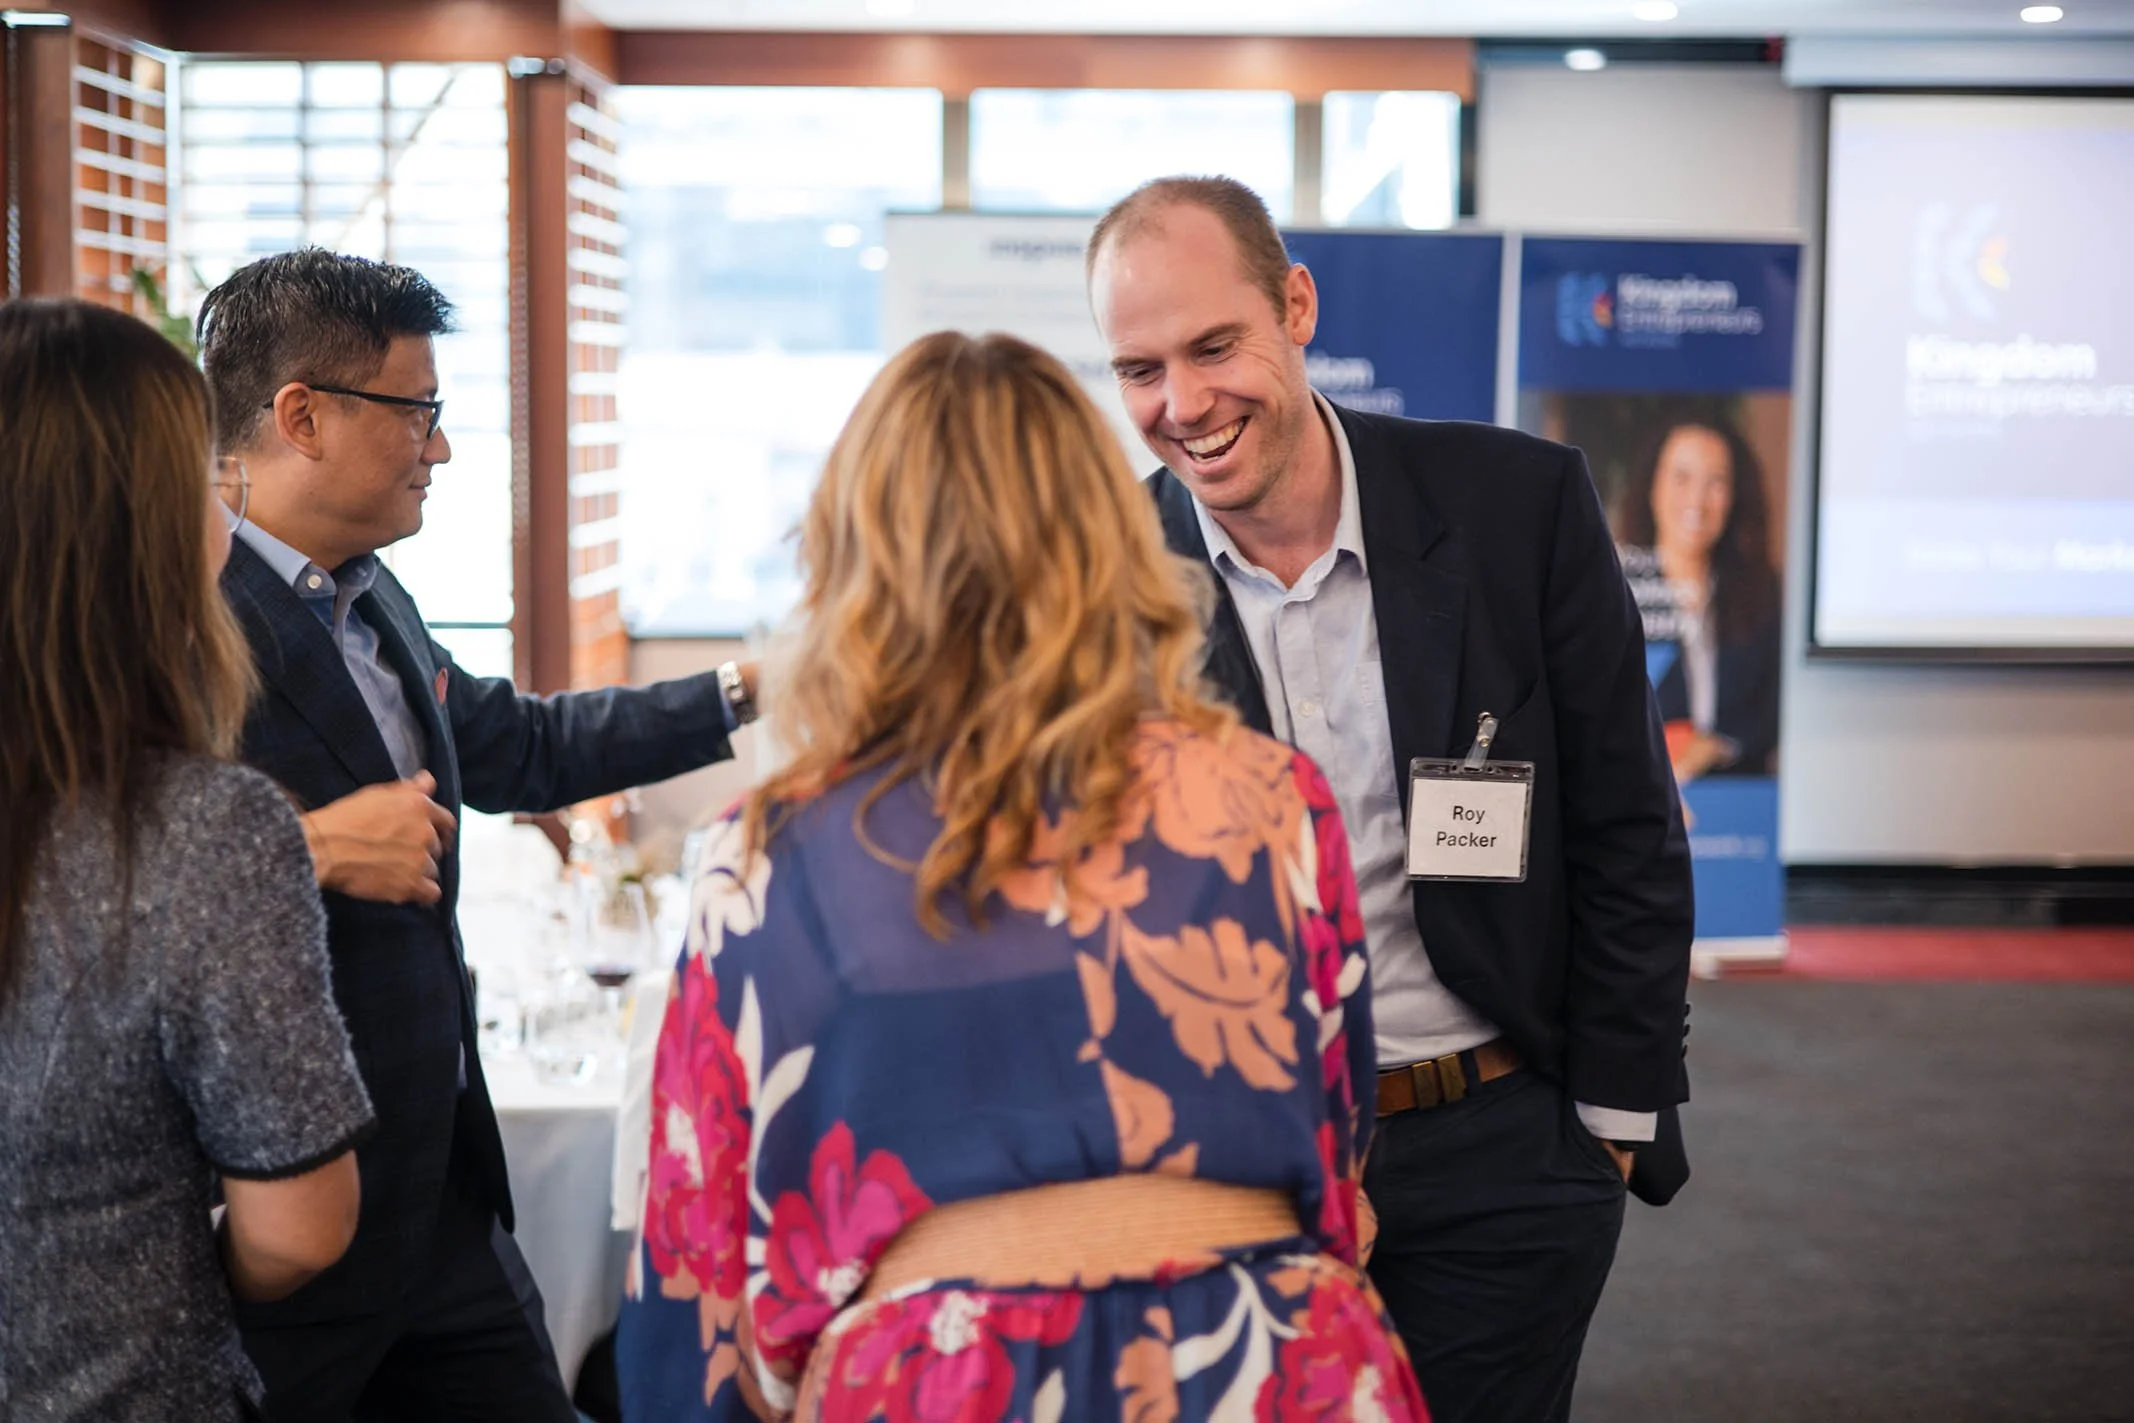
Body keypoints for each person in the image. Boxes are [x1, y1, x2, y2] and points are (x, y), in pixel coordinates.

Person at [615, 331, 1428, 1422]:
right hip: (1275, 1360)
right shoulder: (1272, 801)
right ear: (1106, 541)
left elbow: (700, 1284)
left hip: (941, 1381)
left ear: (856, 558)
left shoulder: (765, 857)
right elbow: (1334, 1156)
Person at [1088, 176, 1695, 1423]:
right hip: (1238, 1170)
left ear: (1296, 306)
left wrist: (1609, 1124)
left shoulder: (1515, 508)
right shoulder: (1101, 583)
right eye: (1140, 369)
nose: (1183, 405)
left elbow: (1628, 824)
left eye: (1214, 347)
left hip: (1503, 1140)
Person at [195, 248, 755, 1421]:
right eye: (420, 412)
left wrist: (746, 693)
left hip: (438, 1201)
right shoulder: (169, 612)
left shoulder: (371, 592)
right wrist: (308, 847)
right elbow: (88, 864)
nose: (440, 449)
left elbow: (524, 748)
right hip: (277, 1215)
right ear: (301, 415)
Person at [0, 298, 375, 1420]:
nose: (226, 518)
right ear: (143, 532)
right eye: (203, 484)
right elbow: (300, 1227)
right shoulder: (200, 833)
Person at [1614, 417, 1782, 781]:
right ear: (1652, 486)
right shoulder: (1614, 590)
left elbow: (1776, 710)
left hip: (1741, 813)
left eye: (1716, 481)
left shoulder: (1764, 593)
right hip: (1638, 803)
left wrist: (1718, 745)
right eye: (1681, 477)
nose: (1697, 499)